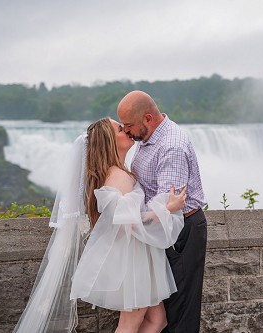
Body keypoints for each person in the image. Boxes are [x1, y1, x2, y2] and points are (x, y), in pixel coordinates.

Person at [13, 117, 186, 333]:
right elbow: (128, 223)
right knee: (131, 322)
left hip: (137, 254)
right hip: (132, 259)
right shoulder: (117, 176)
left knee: (157, 319)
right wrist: (166, 209)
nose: (127, 131)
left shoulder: (118, 172)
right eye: (121, 130)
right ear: (110, 142)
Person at [117, 91, 207, 333]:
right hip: (159, 232)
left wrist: (128, 217)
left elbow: (166, 208)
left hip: (180, 232)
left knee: (180, 311)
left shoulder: (171, 147)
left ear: (148, 118)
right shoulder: (148, 138)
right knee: (164, 310)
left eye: (129, 126)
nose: (126, 131)